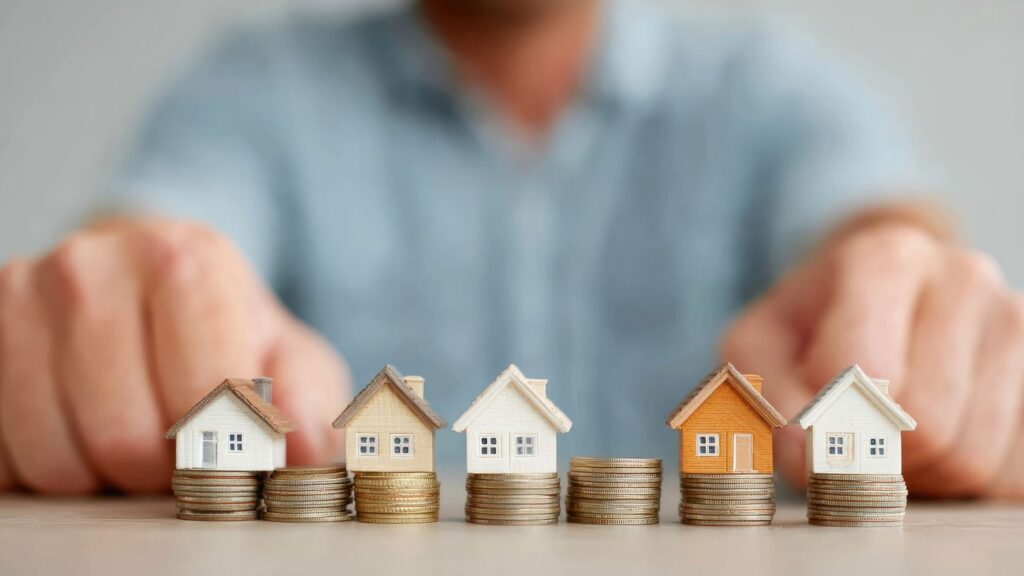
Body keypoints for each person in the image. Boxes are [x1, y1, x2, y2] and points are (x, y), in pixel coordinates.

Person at [0, 0, 1021, 499]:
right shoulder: (250, 93)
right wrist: (113, 312)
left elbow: (884, 237)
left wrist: (919, 305)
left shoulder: (776, 92)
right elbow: (154, 245)